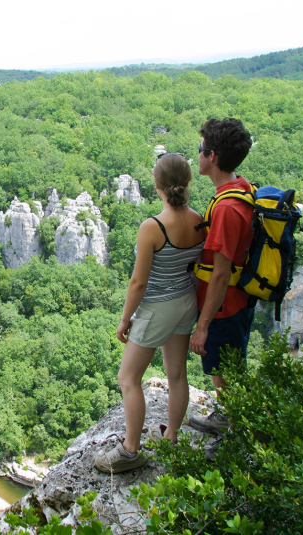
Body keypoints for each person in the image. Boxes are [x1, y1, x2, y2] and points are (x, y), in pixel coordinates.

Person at [95, 153, 205, 474]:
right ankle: (170, 438)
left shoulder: (152, 227)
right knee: (177, 375)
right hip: (187, 301)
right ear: (186, 183)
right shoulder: (200, 220)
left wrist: (125, 318)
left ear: (157, 185)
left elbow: (138, 282)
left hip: (157, 308)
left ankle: (130, 450)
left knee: (128, 378)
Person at [188, 118, 254, 437]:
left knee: (225, 373)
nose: (197, 155)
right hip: (234, 303)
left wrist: (202, 327)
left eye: (200, 150)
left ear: (211, 156)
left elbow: (220, 274)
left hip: (224, 308)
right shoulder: (240, 187)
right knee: (226, 370)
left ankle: (232, 433)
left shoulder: (227, 208)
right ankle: (231, 421)